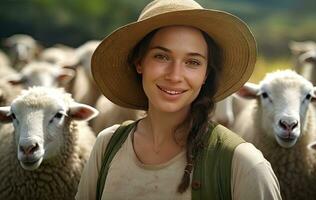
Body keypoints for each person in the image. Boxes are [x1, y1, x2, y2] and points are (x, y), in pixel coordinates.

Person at [76, 0, 282, 199]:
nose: (174, 76)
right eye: (161, 57)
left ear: (206, 74)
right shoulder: (107, 146)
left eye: (192, 62)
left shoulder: (244, 165)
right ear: (140, 63)